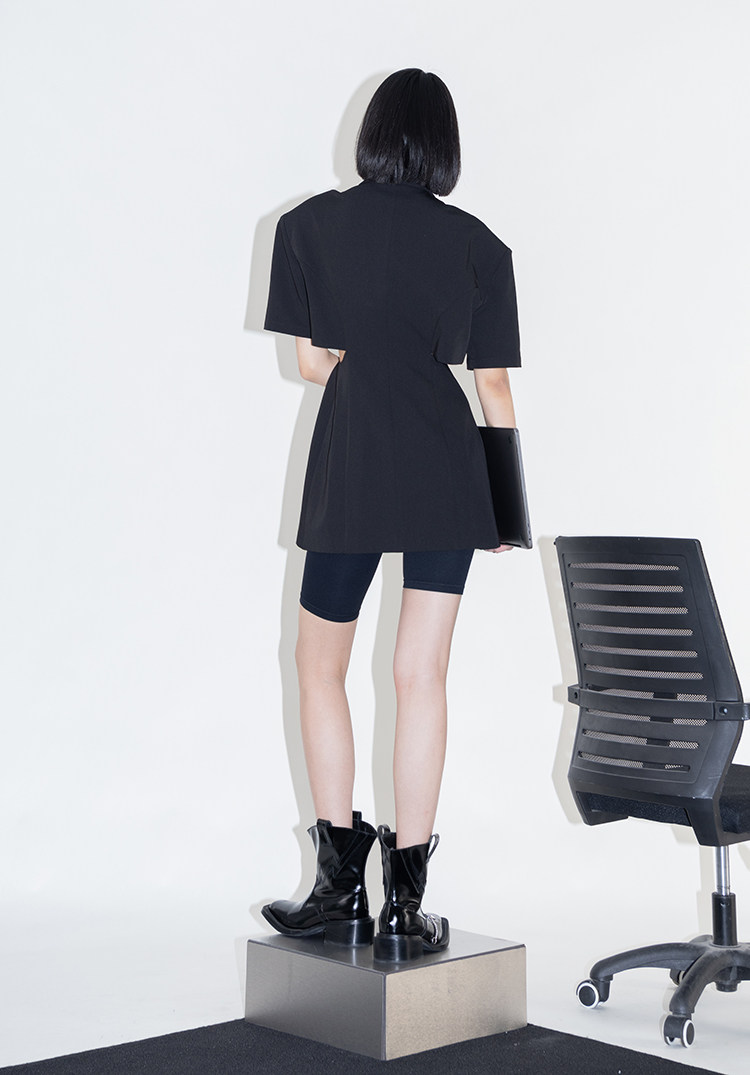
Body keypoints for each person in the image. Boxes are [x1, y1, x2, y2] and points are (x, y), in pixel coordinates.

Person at [261, 68, 521, 962]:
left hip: (352, 465)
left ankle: (338, 890)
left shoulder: (306, 226)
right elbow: (492, 388)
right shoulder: (479, 244)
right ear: (444, 144)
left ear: (371, 133)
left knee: (318, 665)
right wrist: (506, 508)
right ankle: (406, 907)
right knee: (422, 676)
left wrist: (364, 367)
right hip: (450, 472)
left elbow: (312, 363)